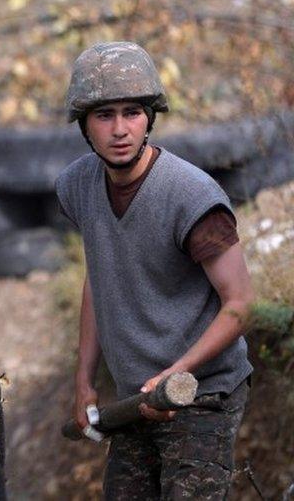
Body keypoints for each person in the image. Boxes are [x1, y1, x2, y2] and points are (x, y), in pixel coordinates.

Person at [54, 42, 254, 499]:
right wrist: (84, 382)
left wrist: (177, 373)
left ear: (151, 118)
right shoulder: (78, 185)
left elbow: (241, 306)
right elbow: (98, 280)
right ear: (84, 125)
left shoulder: (191, 197)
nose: (120, 129)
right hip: (135, 399)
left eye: (132, 112)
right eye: (104, 115)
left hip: (201, 390)